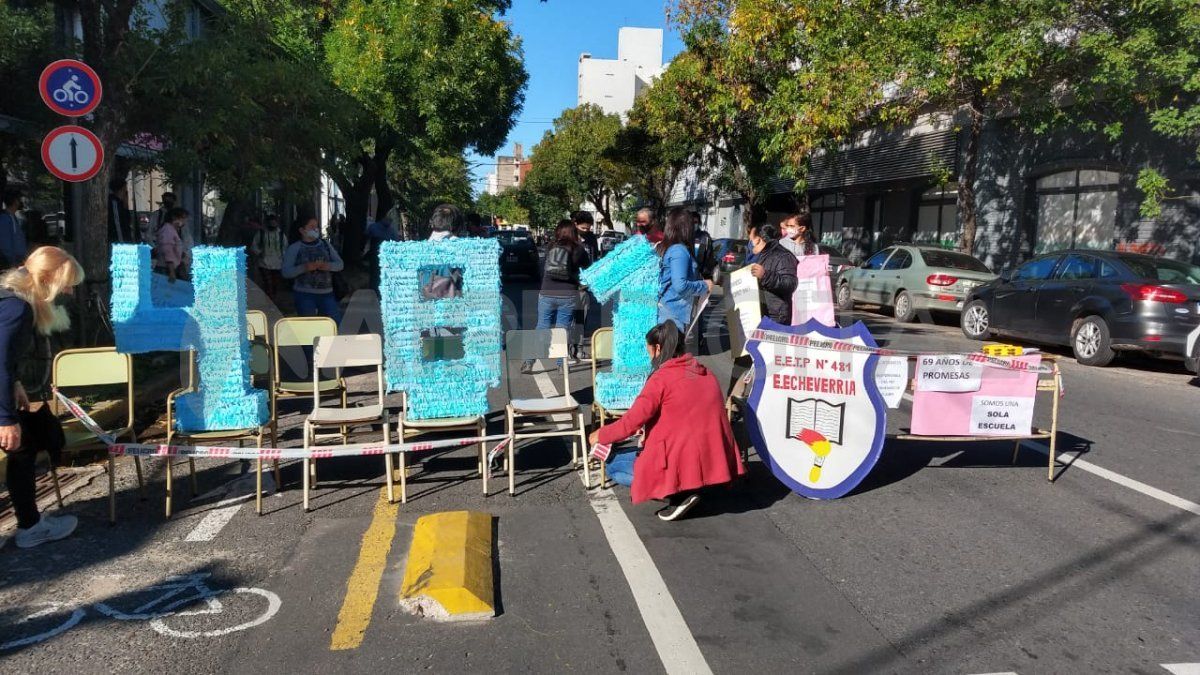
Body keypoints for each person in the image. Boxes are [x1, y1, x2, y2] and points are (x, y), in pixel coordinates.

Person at [588, 321, 744, 521]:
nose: (649, 355)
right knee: (627, 456)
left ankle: (676, 494)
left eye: (649, 350)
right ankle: (695, 485)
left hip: (677, 457)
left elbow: (630, 422)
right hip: (712, 459)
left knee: (614, 466)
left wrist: (600, 435)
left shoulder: (661, 379)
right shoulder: (705, 372)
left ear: (658, 348)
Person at [0, 246, 84, 548]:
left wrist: (15, 383)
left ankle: (30, 524)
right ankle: (29, 526)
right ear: (49, 278)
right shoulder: (17, 307)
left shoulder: (11, 294)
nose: (70, 291)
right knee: (20, 446)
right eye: (67, 282)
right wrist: (6, 419)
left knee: (23, 449)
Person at [522, 220, 590, 374]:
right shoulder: (578, 249)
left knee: (542, 327)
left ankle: (529, 361)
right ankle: (561, 365)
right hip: (568, 294)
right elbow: (587, 267)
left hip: (547, 292)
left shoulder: (551, 246)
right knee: (562, 330)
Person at [657, 207, 713, 336]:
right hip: (672, 314)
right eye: (691, 224)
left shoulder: (670, 247)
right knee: (671, 355)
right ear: (685, 227)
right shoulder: (679, 251)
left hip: (668, 312)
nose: (694, 227)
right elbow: (680, 285)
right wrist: (704, 285)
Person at [282, 216, 344, 322]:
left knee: (335, 323)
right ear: (302, 230)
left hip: (327, 293)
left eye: (316, 226)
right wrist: (304, 268)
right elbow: (286, 272)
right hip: (304, 295)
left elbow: (340, 264)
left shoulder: (325, 245)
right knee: (309, 325)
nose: (315, 229)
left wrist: (328, 266)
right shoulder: (294, 248)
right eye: (311, 227)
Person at [748, 222, 798, 325]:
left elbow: (790, 283)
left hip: (776, 315)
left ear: (758, 240)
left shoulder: (783, 256)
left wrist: (765, 275)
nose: (750, 245)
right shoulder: (763, 255)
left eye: (751, 240)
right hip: (762, 312)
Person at [251, 215, 288, 301]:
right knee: (268, 283)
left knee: (275, 283)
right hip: (264, 262)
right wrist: (260, 253)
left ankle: (272, 299)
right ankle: (269, 300)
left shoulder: (281, 234)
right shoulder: (261, 233)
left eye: (274, 222)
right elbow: (254, 245)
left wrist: (283, 256)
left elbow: (285, 247)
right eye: (271, 222)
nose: (272, 224)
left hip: (278, 263)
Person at [364, 215, 399, 290]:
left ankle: (375, 289)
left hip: (379, 254)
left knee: (376, 274)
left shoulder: (374, 227)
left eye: (390, 220)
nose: (389, 222)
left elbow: (366, 237)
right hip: (379, 254)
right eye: (388, 219)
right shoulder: (390, 230)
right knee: (377, 273)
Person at [155, 207, 190, 282]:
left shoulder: (171, 230)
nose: (184, 221)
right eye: (182, 218)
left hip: (169, 268)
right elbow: (168, 251)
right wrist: (171, 272)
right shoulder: (168, 230)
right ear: (174, 217)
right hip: (166, 269)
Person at [0, 189, 28, 268]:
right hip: (12, 265)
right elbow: (5, 245)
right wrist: (13, 264)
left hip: (18, 262)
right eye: (20, 199)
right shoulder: (4, 219)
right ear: (16, 201)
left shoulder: (13, 217)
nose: (21, 202)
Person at [106, 179, 132, 244]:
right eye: (124, 190)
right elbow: (117, 222)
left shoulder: (120, 203)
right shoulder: (114, 203)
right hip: (118, 242)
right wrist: (122, 242)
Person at [691, 210, 714, 278]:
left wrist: (705, 273)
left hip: (700, 273)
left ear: (699, 223)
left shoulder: (704, 237)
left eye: (695, 222)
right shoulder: (683, 237)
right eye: (691, 222)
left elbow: (709, 257)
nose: (693, 224)